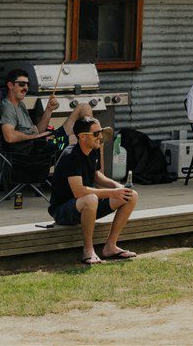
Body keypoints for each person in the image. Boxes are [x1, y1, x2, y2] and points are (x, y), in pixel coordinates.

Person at [49, 113, 139, 264]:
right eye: (96, 133)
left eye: (101, 132)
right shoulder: (70, 156)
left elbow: (96, 174)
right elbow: (79, 192)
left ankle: (110, 246)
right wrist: (112, 192)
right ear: (82, 137)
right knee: (91, 198)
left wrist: (118, 186)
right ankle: (88, 251)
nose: (100, 136)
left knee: (131, 195)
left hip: (87, 206)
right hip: (63, 210)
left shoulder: (94, 149)